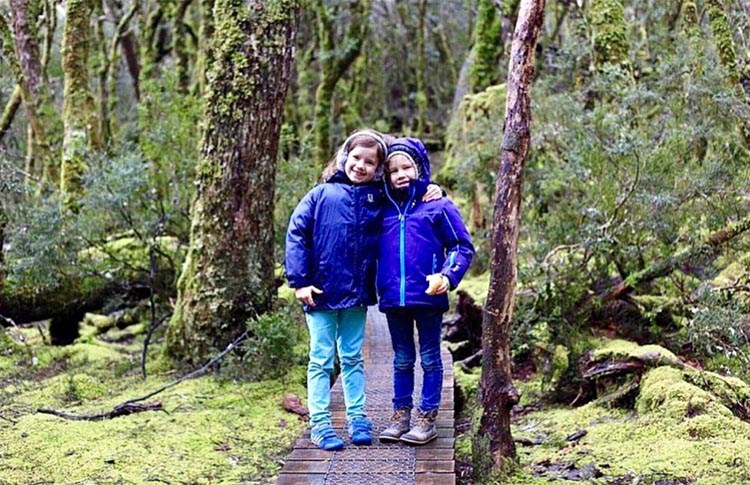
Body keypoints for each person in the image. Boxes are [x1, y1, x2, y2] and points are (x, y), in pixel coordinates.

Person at [285, 129, 442, 451]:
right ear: (345, 156)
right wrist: (300, 281)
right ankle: (320, 424)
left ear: (378, 168)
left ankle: (358, 417)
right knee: (322, 360)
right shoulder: (320, 195)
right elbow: (297, 233)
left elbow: (406, 201)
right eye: (356, 158)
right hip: (320, 293)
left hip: (357, 295)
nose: (361, 165)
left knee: (353, 358)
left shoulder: (378, 198)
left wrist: (431, 189)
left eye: (370, 162)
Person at [376, 137, 474, 445]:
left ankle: (426, 417)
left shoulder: (437, 205)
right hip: (393, 298)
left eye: (407, 166)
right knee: (402, 358)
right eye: (394, 170)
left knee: (431, 357)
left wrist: (448, 275)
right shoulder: (382, 208)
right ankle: (400, 414)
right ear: (386, 175)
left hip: (429, 296)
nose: (401, 174)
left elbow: (460, 245)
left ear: (420, 168)